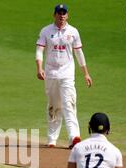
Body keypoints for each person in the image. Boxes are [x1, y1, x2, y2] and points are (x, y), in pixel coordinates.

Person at [35, 3, 92, 149]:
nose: (61, 16)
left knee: (69, 104)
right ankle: (52, 138)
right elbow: (39, 50)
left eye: (64, 13)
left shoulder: (73, 31)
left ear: (67, 15)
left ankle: (74, 137)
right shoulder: (46, 31)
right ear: (54, 15)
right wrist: (39, 68)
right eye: (59, 13)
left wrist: (85, 73)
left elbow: (79, 53)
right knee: (54, 106)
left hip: (67, 74)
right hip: (51, 73)